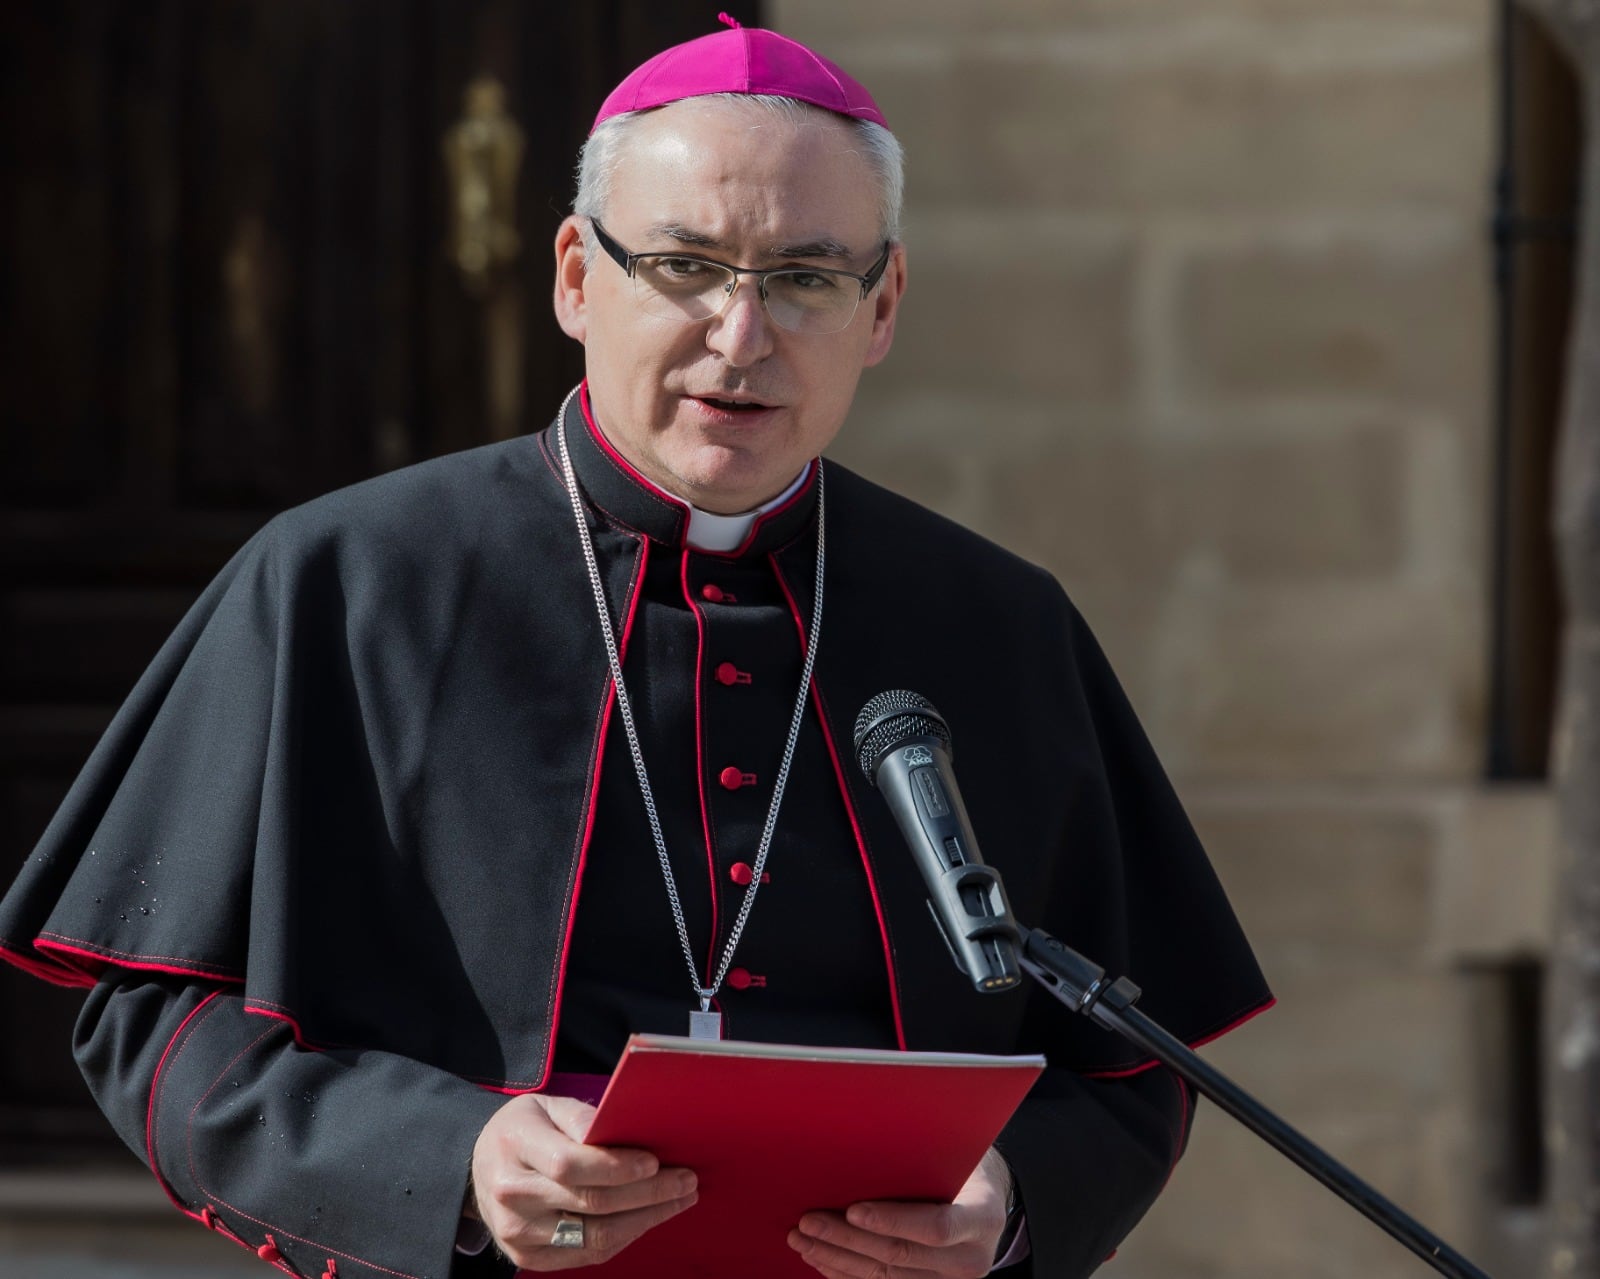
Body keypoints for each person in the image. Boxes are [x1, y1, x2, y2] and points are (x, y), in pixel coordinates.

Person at [0, 17, 1271, 1279]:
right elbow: (157, 1021)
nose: (741, 337)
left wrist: (1014, 1202)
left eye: (807, 280)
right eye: (684, 266)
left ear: (881, 307)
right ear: (573, 276)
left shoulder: (997, 623)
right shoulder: (348, 581)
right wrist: (450, 1156)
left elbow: (1128, 1058)